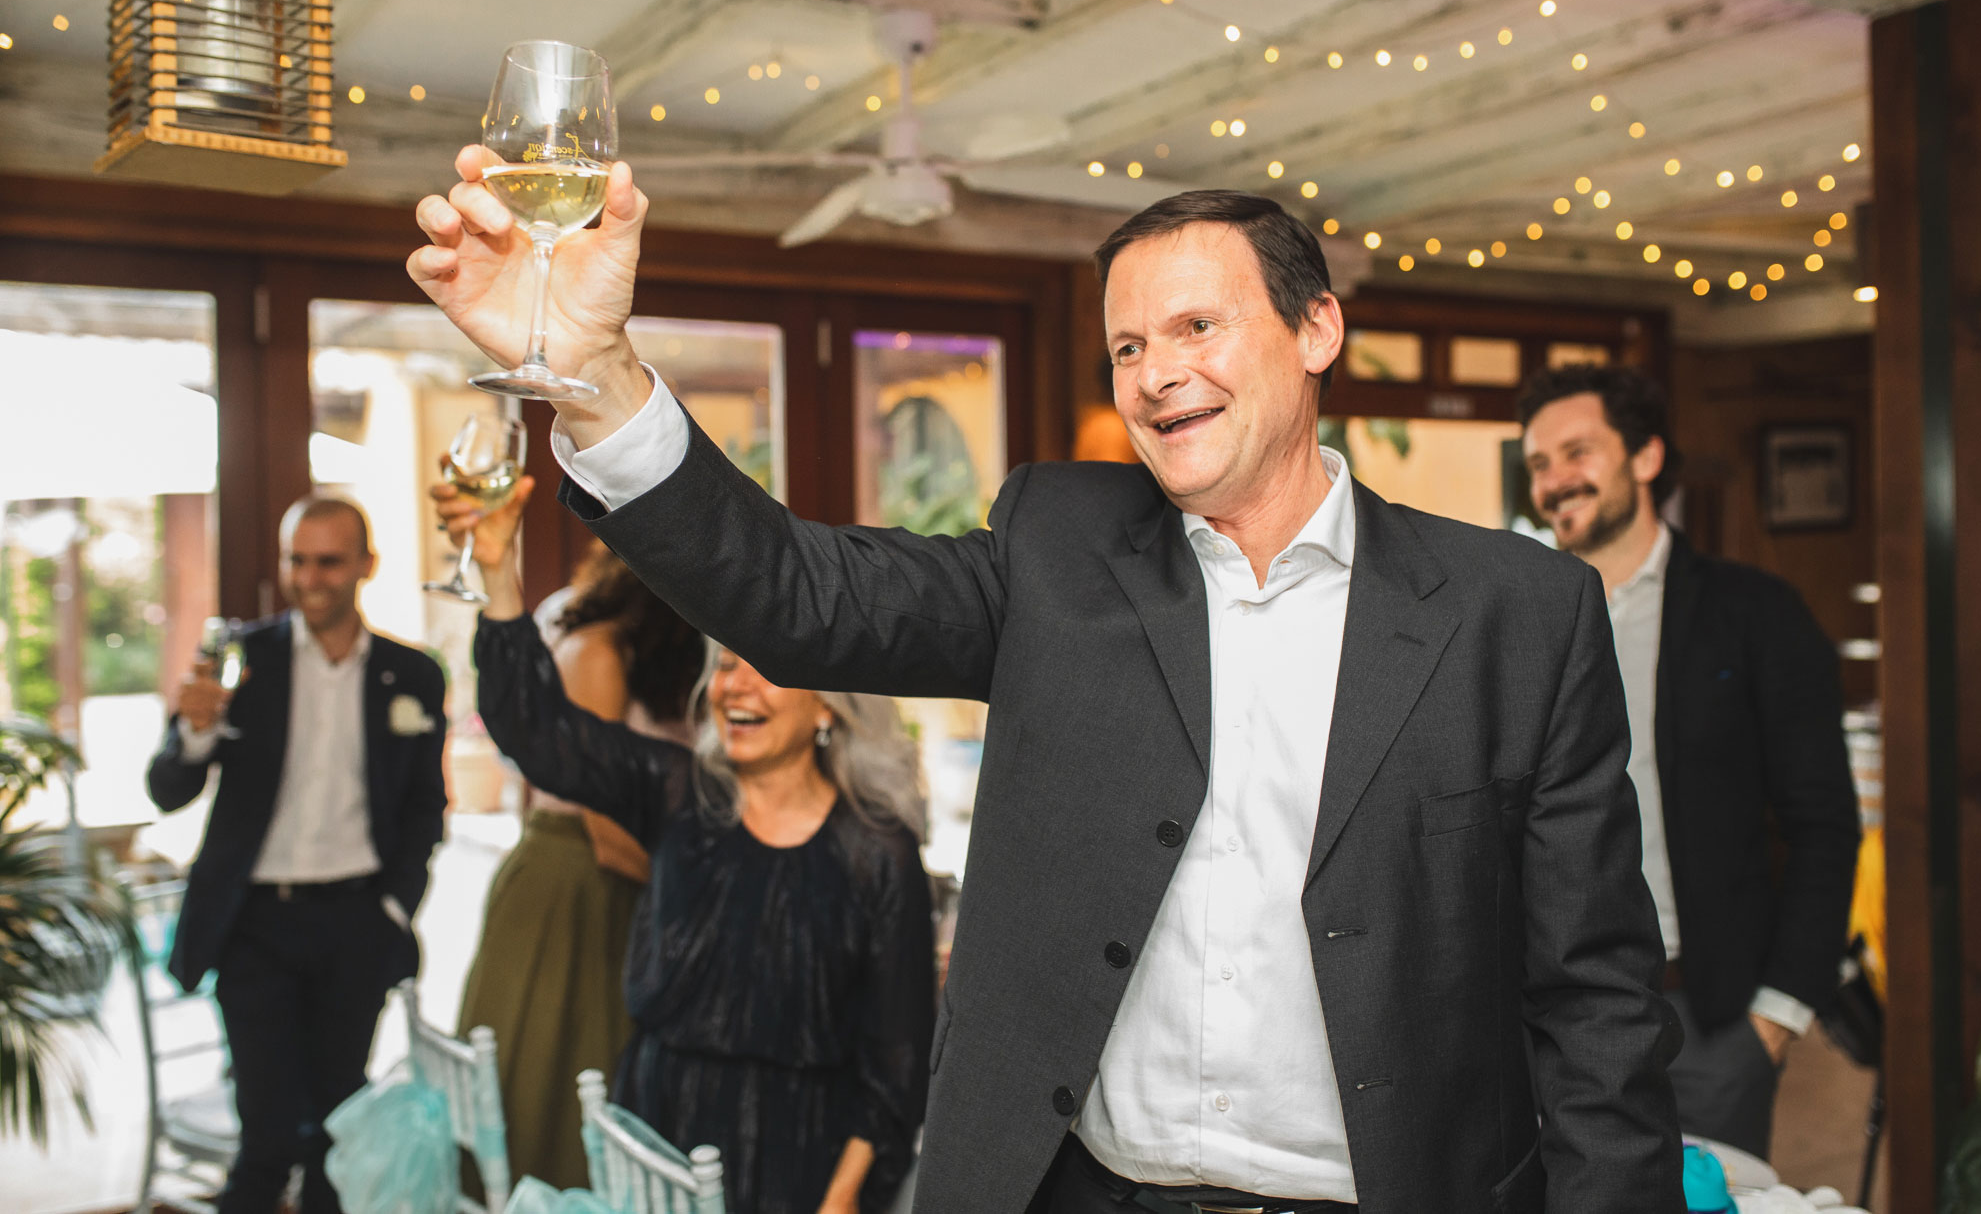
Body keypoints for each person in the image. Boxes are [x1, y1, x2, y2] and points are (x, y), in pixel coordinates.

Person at [410, 160, 1683, 1213]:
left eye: (1196, 325)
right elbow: (799, 596)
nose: (1153, 371)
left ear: (1313, 330)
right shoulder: (1058, 550)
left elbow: (1596, 1003)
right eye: (1128, 343)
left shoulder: (1516, 612)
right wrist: (593, 371)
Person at [434, 473, 936, 1214]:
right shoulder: (677, 795)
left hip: (801, 1160)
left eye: (765, 668)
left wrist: (841, 1196)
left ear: (829, 700)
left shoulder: (877, 851)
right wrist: (497, 567)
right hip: (657, 1145)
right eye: (726, 662)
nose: (735, 687)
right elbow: (537, 727)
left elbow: (896, 1062)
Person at [1519, 364, 1859, 1158]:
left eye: (1577, 451)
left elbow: (1823, 823)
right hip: (1552, 1019)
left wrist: (1777, 1013)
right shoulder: (1518, 619)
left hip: (1709, 1018)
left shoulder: (1757, 613)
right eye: (1538, 462)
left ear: (1644, 458)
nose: (1555, 479)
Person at [147, 496, 448, 1214]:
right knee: (268, 1137)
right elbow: (166, 787)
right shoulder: (240, 658)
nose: (308, 577)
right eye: (296, 560)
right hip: (255, 926)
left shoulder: (412, 675)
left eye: (328, 560)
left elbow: (424, 808)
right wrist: (194, 731)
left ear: (365, 567)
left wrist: (393, 905)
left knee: (337, 1135)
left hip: (357, 923)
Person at [454, 533, 707, 1190]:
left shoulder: (657, 657)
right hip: (576, 887)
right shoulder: (597, 649)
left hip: (610, 886)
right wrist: (711, 899)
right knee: (557, 1083)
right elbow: (605, 823)